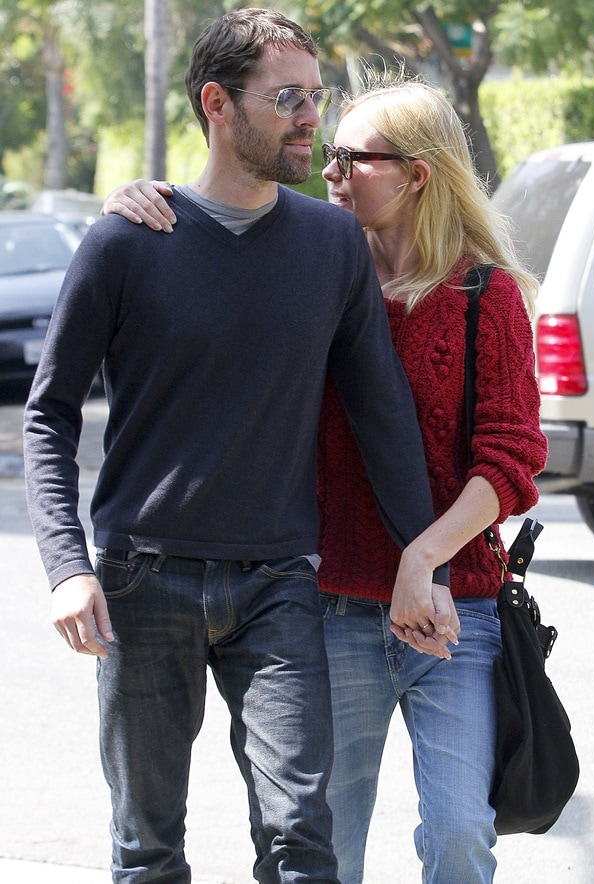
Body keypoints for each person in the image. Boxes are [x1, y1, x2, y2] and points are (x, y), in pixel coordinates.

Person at [23, 10, 456, 884]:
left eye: (314, 95)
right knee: (147, 848)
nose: (310, 118)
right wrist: (67, 565)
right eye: (287, 97)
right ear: (217, 103)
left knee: (304, 841)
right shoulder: (123, 243)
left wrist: (428, 566)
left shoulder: (333, 243)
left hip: (279, 586)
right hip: (143, 579)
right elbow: (48, 414)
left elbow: (380, 415)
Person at [103, 77, 548, 883]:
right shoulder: (310, 271)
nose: (330, 170)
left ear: (416, 173)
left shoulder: (488, 296)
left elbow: (511, 461)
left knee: (458, 834)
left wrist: (426, 560)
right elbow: (214, 233)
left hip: (457, 613)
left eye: (353, 157)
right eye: (330, 152)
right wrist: (139, 198)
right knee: (320, 850)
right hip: (333, 609)